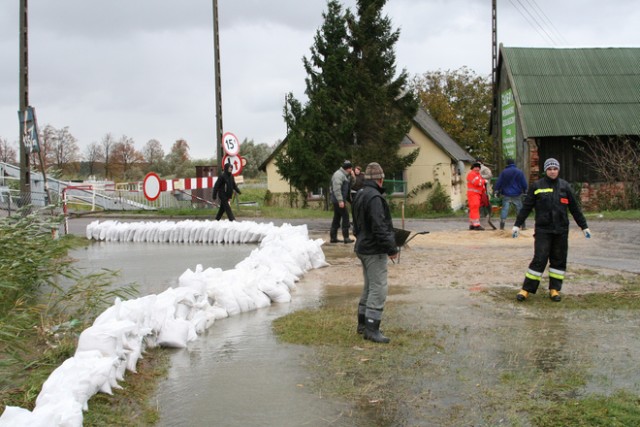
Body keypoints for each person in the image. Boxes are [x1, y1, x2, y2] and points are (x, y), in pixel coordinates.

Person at [512, 158, 591, 302]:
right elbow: (526, 207)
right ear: (545, 170)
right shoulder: (537, 186)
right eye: (550, 169)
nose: (552, 171)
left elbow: (575, 209)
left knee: (558, 260)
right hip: (543, 230)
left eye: (555, 169)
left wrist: (584, 226)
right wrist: (517, 224)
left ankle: (554, 289)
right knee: (539, 259)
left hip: (561, 230)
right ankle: (526, 289)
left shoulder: (565, 187)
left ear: (558, 170)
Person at [352, 162, 398, 343]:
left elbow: (355, 224)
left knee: (369, 286)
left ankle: (362, 324)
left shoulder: (360, 194)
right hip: (373, 250)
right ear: (381, 179)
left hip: (362, 247)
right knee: (378, 288)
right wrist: (391, 248)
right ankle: (372, 329)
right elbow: (380, 227)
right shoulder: (375, 198)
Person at [494, 158, 528, 230]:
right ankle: (523, 225)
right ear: (514, 163)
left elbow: (499, 182)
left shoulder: (504, 172)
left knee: (505, 209)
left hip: (506, 194)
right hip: (517, 194)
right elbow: (524, 183)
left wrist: (496, 190)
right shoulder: (519, 172)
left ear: (507, 164)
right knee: (519, 209)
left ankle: (502, 225)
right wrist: (525, 190)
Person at [329, 160, 355, 243]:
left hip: (339, 199)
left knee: (336, 218)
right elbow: (336, 189)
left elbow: (351, 185)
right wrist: (340, 201)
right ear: (349, 168)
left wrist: (353, 177)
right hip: (338, 200)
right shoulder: (338, 175)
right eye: (351, 168)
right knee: (346, 217)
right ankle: (346, 238)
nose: (352, 170)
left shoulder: (345, 175)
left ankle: (333, 238)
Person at [466, 162, 487, 230]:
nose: (477, 168)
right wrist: (484, 181)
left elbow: (480, 183)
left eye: (478, 167)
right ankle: (476, 225)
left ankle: (472, 224)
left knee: (473, 209)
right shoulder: (472, 174)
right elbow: (478, 183)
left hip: (476, 195)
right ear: (473, 168)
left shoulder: (477, 175)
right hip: (473, 194)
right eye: (476, 167)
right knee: (475, 209)